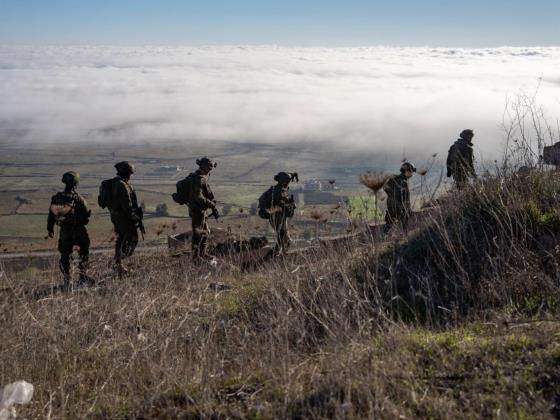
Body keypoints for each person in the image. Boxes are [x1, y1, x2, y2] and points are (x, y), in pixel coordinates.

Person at [47, 171, 91, 288]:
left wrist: (50, 228)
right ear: (76, 184)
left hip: (64, 231)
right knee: (83, 253)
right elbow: (87, 214)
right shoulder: (78, 199)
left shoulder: (56, 197)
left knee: (65, 256)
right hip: (78, 231)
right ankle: (83, 278)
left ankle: (67, 280)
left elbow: (51, 215)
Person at [108, 161, 143, 277]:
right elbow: (127, 206)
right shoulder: (122, 185)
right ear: (128, 173)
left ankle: (118, 265)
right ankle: (116, 261)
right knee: (132, 239)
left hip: (117, 216)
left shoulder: (116, 183)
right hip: (124, 218)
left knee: (121, 239)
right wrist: (135, 217)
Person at [187, 157, 219, 262]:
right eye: (209, 168)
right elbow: (198, 197)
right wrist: (211, 204)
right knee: (198, 235)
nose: (210, 171)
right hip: (197, 212)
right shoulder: (198, 179)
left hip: (201, 211)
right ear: (203, 167)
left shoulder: (200, 178)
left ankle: (202, 253)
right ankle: (196, 257)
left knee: (205, 232)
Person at [269, 172, 297, 255]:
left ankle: (282, 250)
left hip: (280, 216)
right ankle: (279, 249)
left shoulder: (280, 189)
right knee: (282, 232)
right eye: (286, 181)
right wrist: (290, 204)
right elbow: (280, 202)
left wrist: (290, 203)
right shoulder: (277, 191)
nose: (288, 183)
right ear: (282, 181)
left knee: (284, 234)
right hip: (276, 216)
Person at [383, 162, 415, 233]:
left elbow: (385, 187)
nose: (412, 174)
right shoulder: (404, 182)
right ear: (406, 171)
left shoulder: (394, 177)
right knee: (405, 220)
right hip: (399, 206)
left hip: (391, 205)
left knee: (389, 223)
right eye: (411, 172)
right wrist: (408, 209)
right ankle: (404, 237)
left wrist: (391, 195)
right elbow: (406, 199)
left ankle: (382, 236)